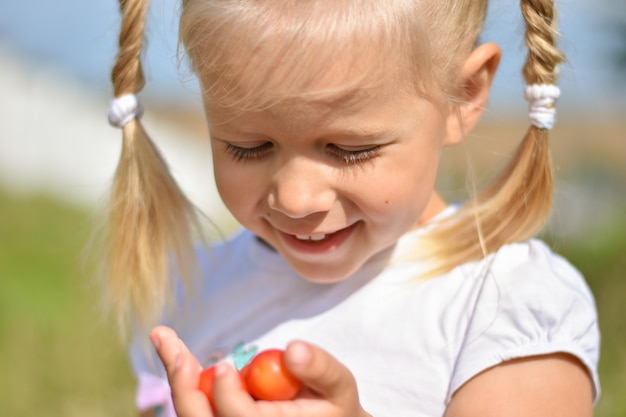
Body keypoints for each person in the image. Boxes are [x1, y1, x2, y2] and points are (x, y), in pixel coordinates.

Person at [103, 0, 600, 416]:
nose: (295, 199)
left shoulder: (503, 310)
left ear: (462, 97)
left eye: (350, 150)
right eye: (248, 147)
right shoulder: (193, 291)